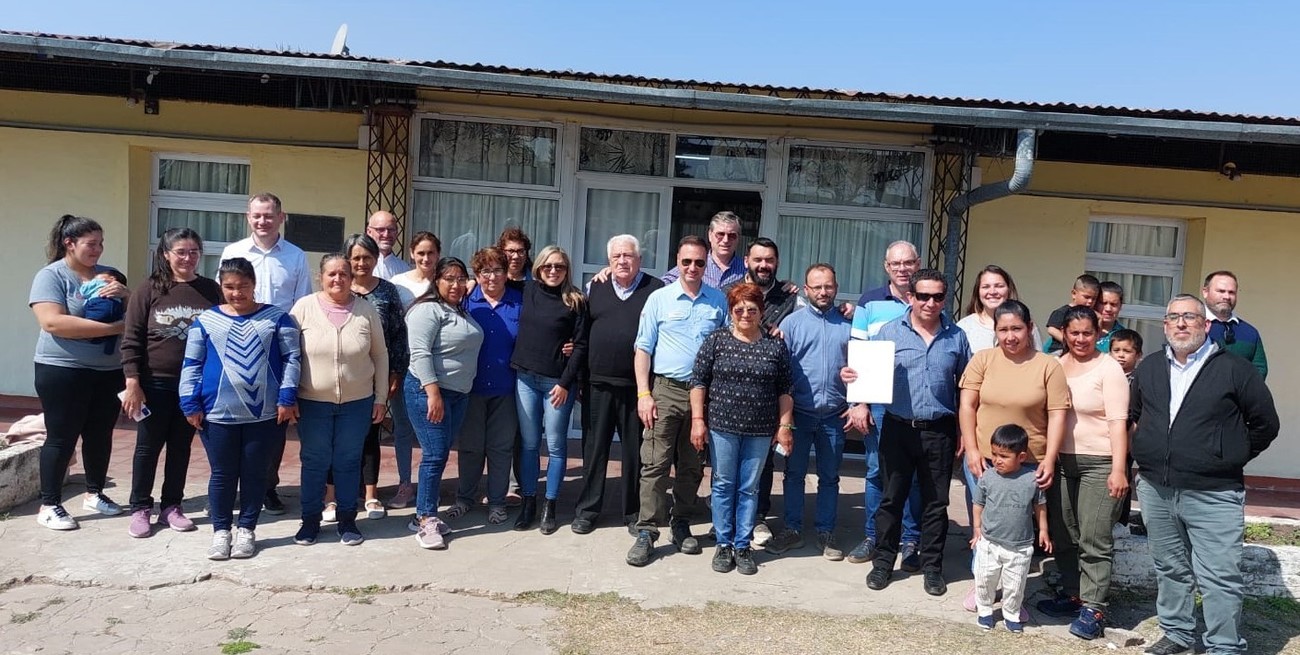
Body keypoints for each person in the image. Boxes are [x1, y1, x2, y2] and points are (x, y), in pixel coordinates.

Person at [1130, 294, 1278, 655]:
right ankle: (1178, 635)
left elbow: (1265, 424)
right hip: (1156, 489)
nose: (1181, 323)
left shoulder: (1235, 369)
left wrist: (1227, 455)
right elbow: (1136, 415)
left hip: (1214, 493)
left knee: (1219, 578)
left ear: (1206, 324)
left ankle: (1224, 646)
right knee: (1171, 568)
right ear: (1164, 325)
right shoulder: (1149, 367)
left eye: (1190, 317)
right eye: (1174, 317)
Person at [847, 268, 971, 596]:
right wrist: (854, 381)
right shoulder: (889, 332)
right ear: (911, 297)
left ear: (945, 299)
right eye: (924, 296)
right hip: (897, 429)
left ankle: (932, 568)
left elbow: (966, 388)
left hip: (939, 432)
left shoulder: (956, 337)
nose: (931, 303)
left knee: (935, 503)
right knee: (891, 500)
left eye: (938, 297)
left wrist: (963, 431)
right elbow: (864, 373)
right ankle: (884, 563)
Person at [179, 257, 301, 560]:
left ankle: (247, 529)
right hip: (217, 414)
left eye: (243, 286)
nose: (237, 293)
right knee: (222, 473)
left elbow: (292, 359)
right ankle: (221, 531)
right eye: (230, 287)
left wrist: (286, 398)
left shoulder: (277, 318)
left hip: (264, 413)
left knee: (255, 473)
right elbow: (191, 365)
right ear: (222, 287)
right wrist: (189, 403)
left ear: (254, 285)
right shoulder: (205, 321)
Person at [959, 299, 1070, 610]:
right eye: (1003, 329)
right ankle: (982, 584)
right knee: (984, 524)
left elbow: (1058, 414)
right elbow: (967, 405)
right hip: (985, 460)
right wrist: (970, 448)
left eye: (1016, 329)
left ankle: (1013, 591)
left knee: (1018, 530)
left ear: (1030, 328)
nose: (1010, 336)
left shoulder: (1048, 365)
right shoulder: (983, 360)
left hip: (1028, 463)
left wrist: (1049, 458)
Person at [626, 235, 728, 567]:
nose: (693, 268)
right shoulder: (659, 299)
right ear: (678, 262)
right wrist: (644, 393)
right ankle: (647, 531)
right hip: (665, 390)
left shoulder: (718, 301)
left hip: (703, 395)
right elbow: (643, 348)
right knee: (655, 462)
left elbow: (728, 346)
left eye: (700, 262)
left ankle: (681, 522)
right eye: (687, 262)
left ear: (706, 263)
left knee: (691, 464)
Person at [29, 214, 131, 530]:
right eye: (91, 244)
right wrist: (113, 328)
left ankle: (95, 493)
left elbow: (138, 309)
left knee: (100, 435)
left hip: (107, 370)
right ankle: (49, 504)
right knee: (62, 437)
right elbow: (52, 322)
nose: (98, 250)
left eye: (101, 243)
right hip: (63, 370)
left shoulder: (109, 275)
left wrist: (126, 295)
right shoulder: (52, 276)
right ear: (69, 243)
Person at [1036, 306, 1131, 640]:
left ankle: (1094, 607)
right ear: (1064, 332)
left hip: (1100, 463)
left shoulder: (1109, 369)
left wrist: (1119, 469)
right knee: (1063, 535)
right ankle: (1073, 594)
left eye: (1087, 333)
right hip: (1060, 463)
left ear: (1098, 334)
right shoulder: (1056, 365)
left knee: (1094, 538)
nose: (1080, 339)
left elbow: (1119, 423)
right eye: (1073, 333)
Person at [120, 228, 222, 538]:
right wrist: (133, 381)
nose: (188, 258)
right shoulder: (149, 290)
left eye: (193, 252)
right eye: (181, 252)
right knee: (147, 448)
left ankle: (171, 507)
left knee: (181, 447)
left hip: (192, 385)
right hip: (155, 384)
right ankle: (140, 507)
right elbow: (132, 338)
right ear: (166, 254)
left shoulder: (210, 290)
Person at [690, 282, 794, 576]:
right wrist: (698, 420)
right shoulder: (716, 341)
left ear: (761, 312)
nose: (745, 314)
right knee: (723, 484)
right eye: (739, 309)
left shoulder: (775, 345)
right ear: (731, 312)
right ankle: (723, 544)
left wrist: (784, 426)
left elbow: (785, 389)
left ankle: (742, 545)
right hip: (722, 426)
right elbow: (699, 382)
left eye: (752, 309)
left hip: (760, 429)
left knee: (749, 488)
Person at [220, 192, 312, 516]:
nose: (263, 221)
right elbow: (225, 297)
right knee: (234, 418)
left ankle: (267, 486)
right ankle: (232, 487)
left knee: (274, 419)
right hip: (237, 342)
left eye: (269, 216)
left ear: (280, 217)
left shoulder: (296, 256)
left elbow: (301, 306)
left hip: (276, 346)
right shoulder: (232, 253)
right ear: (248, 217)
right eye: (257, 216)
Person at [765, 263, 865, 560]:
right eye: (817, 287)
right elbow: (782, 373)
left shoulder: (850, 325)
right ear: (806, 290)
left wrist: (856, 401)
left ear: (836, 287)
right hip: (800, 414)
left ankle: (826, 532)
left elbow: (864, 367)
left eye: (829, 286)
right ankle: (793, 529)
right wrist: (785, 416)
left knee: (830, 476)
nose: (823, 292)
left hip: (834, 414)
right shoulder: (792, 325)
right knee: (793, 474)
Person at [290, 253, 389, 547]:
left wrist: (380, 397)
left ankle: (347, 521)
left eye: (343, 274)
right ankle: (309, 521)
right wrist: (289, 396)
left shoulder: (366, 310)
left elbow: (380, 355)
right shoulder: (303, 309)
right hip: (312, 402)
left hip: (357, 403)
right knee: (314, 461)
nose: (338, 279)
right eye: (331, 274)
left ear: (351, 277)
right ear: (321, 277)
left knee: (348, 461)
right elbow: (288, 354)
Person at [572, 235, 664, 535]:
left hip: (636, 387)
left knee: (634, 453)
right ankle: (587, 511)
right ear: (608, 261)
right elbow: (583, 337)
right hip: (598, 384)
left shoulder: (655, 289)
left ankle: (633, 512)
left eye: (629, 255)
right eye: (617, 256)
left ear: (640, 259)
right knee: (594, 450)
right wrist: (580, 379)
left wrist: (648, 390)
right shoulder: (594, 287)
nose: (623, 261)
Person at [318, 234, 408, 521]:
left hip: (373, 376)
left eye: (367, 257)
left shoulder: (388, 292)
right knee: (335, 439)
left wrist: (395, 372)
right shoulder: (337, 288)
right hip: (337, 376)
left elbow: (397, 336)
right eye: (355, 257)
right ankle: (331, 497)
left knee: (370, 436)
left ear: (376, 259)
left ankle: (370, 495)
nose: (361, 263)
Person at [846, 239, 923, 569]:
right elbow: (857, 351)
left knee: (912, 475)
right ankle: (873, 536)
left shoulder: (928, 299)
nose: (902, 269)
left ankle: (909, 540)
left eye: (908, 263)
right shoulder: (869, 302)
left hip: (914, 404)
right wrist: (859, 403)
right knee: (878, 471)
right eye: (896, 264)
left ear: (917, 264)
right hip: (876, 402)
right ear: (886, 266)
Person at [722, 237, 802, 544]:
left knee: (762, 462)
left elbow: (813, 316)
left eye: (769, 260)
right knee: (726, 464)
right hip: (730, 391)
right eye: (758, 260)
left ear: (777, 263)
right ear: (747, 261)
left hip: (769, 392)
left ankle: (757, 518)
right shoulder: (728, 293)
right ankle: (725, 519)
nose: (763, 265)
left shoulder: (790, 297)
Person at [404, 257, 483, 549]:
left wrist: (469, 283)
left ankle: (423, 514)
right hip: (429, 392)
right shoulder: (426, 310)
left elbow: (472, 285)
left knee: (438, 454)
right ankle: (425, 520)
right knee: (434, 455)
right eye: (449, 278)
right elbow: (420, 354)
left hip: (457, 394)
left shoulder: (458, 309)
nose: (457, 284)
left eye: (461, 279)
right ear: (435, 280)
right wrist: (433, 393)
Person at [511, 246, 588, 534]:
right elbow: (490, 277)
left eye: (560, 267)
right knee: (530, 444)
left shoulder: (576, 300)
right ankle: (528, 502)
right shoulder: (527, 291)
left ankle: (550, 505)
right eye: (548, 266)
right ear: (539, 268)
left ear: (567, 270)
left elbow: (580, 346)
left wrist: (565, 383)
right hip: (526, 379)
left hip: (557, 385)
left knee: (555, 446)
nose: (554, 271)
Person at [450, 247, 523, 527]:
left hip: (507, 388)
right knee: (470, 447)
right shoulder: (466, 301)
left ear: (506, 273)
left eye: (497, 270)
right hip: (471, 387)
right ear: (476, 275)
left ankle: (497, 502)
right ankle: (464, 499)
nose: (491, 277)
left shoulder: (519, 303)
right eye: (484, 271)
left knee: (501, 448)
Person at [969, 424, 1051, 634]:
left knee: (1015, 584)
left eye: (1004, 456)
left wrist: (1043, 530)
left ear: (1021, 457)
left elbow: (1039, 506)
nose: (997, 460)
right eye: (994, 454)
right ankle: (985, 610)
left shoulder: (1031, 479)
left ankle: (1011, 614)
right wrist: (977, 528)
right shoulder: (987, 477)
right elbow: (978, 503)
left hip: (1020, 546)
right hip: (989, 541)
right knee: (985, 579)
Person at [386, 230, 442, 509]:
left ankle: (434, 485)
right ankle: (405, 484)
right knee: (403, 427)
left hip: (439, 366)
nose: (426, 258)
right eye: (421, 253)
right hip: (405, 364)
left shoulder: (449, 282)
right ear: (411, 254)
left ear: (438, 255)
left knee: (435, 429)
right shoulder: (398, 284)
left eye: (431, 253)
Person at [1108, 328, 1146, 536]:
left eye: (1127, 351)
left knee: (1122, 475)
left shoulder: (1139, 379)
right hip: (1103, 435)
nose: (1121, 355)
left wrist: (1132, 436)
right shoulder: (1105, 374)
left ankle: (1121, 521)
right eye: (1116, 350)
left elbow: (1138, 414)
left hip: (1127, 433)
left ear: (1138, 355)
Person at [956, 265, 1041, 352]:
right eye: (986, 287)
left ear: (1009, 290)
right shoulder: (964, 326)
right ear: (978, 292)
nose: (992, 292)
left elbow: (1038, 361)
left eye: (999, 286)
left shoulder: (1026, 326)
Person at [1202, 270, 1267, 379]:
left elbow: (1260, 370)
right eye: (1221, 291)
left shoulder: (1250, 333)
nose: (1226, 296)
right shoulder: (1191, 326)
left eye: (1231, 292)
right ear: (1205, 292)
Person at [661, 211, 747, 288]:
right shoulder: (695, 264)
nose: (725, 240)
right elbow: (663, 285)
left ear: (739, 238)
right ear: (710, 235)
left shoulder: (746, 270)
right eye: (720, 234)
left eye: (732, 236)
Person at [1043, 274, 1100, 353]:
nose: (1090, 301)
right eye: (1086, 297)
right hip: (1059, 350)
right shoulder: (1062, 311)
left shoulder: (1091, 314)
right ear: (1074, 294)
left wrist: (1099, 319)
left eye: (1094, 298)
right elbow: (1051, 329)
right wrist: (1068, 341)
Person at [79, 270, 128, 355]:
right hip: (117, 307)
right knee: (113, 334)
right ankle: (109, 348)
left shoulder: (100, 282)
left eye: (97, 276)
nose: (95, 278)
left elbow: (84, 291)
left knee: (92, 319)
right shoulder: (119, 290)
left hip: (100, 303)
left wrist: (85, 283)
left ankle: (94, 338)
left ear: (111, 278)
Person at [366, 210, 412, 280]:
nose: (386, 234)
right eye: (380, 229)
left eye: (391, 230)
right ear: (369, 232)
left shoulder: (404, 269)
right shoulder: (359, 265)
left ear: (397, 233)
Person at [1094, 281, 1126, 352]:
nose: (1108, 309)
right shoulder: (1083, 330)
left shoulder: (1124, 336)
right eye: (1103, 303)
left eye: (1113, 304)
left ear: (1120, 306)